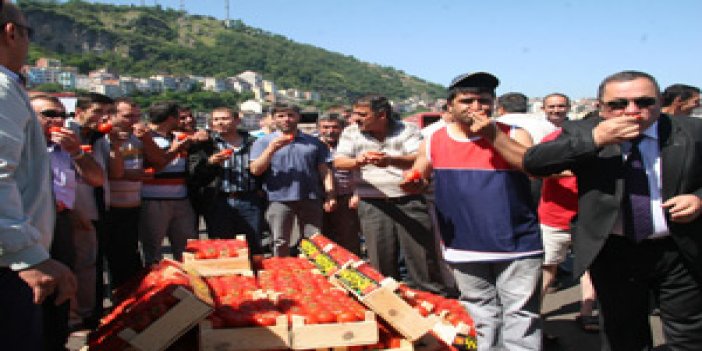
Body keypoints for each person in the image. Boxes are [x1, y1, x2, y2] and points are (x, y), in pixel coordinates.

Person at [523, 70, 702, 350]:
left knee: (688, 332)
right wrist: (594, 140)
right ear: (600, 107)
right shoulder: (583, 131)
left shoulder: (690, 131)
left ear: (659, 101)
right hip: (615, 251)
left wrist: (699, 199)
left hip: (678, 248)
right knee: (623, 334)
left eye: (644, 102)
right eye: (618, 105)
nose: (632, 111)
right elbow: (534, 163)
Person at [402, 72, 543, 350]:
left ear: (494, 104)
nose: (476, 107)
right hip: (463, 244)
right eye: (467, 101)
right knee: (480, 313)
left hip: (516, 243)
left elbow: (530, 166)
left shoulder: (515, 133)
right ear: (450, 106)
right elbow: (418, 175)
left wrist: (493, 136)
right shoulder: (433, 140)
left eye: (484, 100)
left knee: (521, 314)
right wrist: (413, 182)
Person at [0, 3, 77, 350]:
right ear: (11, 32)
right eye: (29, 33)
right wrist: (26, 256)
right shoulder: (2, 90)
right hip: (9, 268)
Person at [334, 94, 447, 295]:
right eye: (354, 114)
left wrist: (390, 160)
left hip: (409, 200)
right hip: (372, 204)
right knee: (380, 258)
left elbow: (418, 158)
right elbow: (339, 161)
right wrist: (359, 161)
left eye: (362, 114)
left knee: (421, 257)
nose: (355, 119)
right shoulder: (351, 133)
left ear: (382, 115)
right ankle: (386, 302)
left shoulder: (408, 130)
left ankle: (432, 301)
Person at [31, 95, 104, 350]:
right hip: (29, 223)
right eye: (49, 114)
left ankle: (56, 339)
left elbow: (96, 179)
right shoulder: (19, 146)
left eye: (62, 115)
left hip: (61, 222)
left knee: (62, 285)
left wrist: (76, 152)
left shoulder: (66, 149)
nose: (57, 120)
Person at [537, 93, 598, 333]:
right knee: (548, 267)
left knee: (590, 266)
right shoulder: (554, 139)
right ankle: (532, 315)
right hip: (556, 216)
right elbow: (535, 169)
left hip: (590, 218)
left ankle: (586, 313)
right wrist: (574, 171)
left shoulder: (612, 143)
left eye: (561, 105)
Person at [65, 92, 123, 328]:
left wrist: (116, 145)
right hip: (75, 209)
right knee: (76, 264)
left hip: (99, 208)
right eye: (98, 112)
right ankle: (73, 316)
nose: (104, 118)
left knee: (92, 264)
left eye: (109, 113)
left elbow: (115, 173)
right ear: (79, 112)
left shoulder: (101, 138)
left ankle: (89, 312)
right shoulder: (67, 137)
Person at [250, 102, 336, 256]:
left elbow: (325, 171)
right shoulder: (262, 142)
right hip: (278, 198)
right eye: (281, 116)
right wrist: (271, 149)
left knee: (313, 239)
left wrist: (330, 194)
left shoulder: (314, 143)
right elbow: (256, 170)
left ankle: (312, 272)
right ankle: (283, 271)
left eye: (290, 115)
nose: (286, 119)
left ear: (298, 117)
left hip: (310, 197)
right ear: (273, 119)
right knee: (280, 240)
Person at [189, 107, 265, 253]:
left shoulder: (253, 143)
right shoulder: (205, 144)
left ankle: (254, 274)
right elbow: (194, 174)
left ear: (237, 120)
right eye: (216, 120)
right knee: (221, 247)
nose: (220, 123)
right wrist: (210, 163)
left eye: (225, 119)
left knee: (253, 245)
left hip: (249, 199)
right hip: (218, 201)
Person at [139, 101, 195, 265]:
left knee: (187, 248)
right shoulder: (144, 137)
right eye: (179, 117)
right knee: (153, 248)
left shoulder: (178, 137)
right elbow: (156, 164)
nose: (182, 121)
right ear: (171, 118)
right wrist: (175, 150)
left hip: (181, 199)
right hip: (153, 200)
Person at [103, 98, 149, 289]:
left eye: (137, 116)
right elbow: (108, 172)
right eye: (128, 116)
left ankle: (129, 296)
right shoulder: (103, 140)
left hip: (133, 204)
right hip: (111, 205)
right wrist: (131, 174)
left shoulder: (136, 138)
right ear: (111, 116)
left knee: (130, 256)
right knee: (115, 257)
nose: (133, 120)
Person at [318, 113, 362, 255]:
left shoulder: (351, 146)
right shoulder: (313, 145)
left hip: (346, 197)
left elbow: (360, 172)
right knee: (321, 239)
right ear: (319, 128)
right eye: (325, 127)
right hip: (318, 199)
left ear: (343, 128)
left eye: (335, 127)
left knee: (348, 239)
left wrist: (357, 194)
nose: (330, 131)